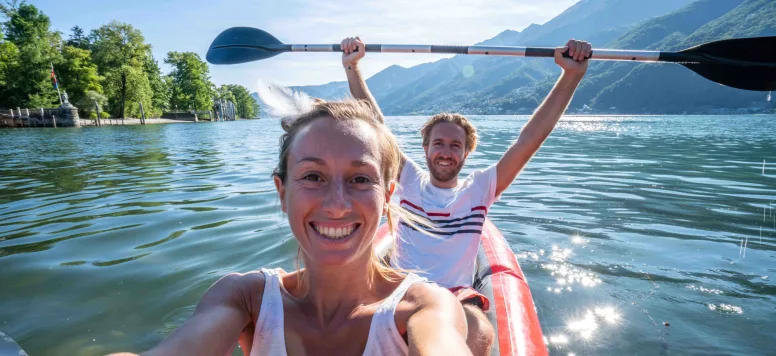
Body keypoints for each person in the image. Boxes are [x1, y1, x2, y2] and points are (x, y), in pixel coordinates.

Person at [109, 100, 472, 355]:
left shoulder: (423, 308)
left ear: (387, 196)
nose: (337, 204)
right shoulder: (244, 298)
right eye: (313, 176)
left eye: (360, 179)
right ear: (282, 193)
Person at [340, 36, 592, 356]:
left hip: (455, 296)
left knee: (478, 331)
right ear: (426, 148)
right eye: (439, 143)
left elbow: (531, 137)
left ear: (467, 152)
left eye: (455, 145)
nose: (446, 152)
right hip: (402, 289)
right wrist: (352, 67)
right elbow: (375, 123)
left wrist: (571, 77)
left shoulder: (480, 188)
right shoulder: (407, 180)